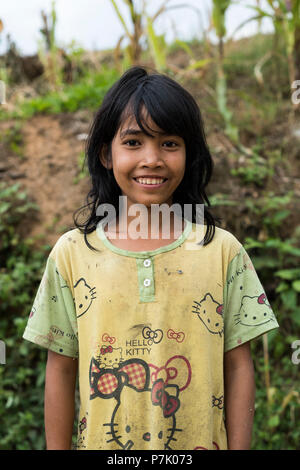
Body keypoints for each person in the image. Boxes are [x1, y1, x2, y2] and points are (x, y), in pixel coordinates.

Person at [23, 66, 279, 451]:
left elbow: (239, 366)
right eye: (133, 142)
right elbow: (60, 369)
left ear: (189, 155)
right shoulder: (72, 254)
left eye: (170, 144)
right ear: (105, 155)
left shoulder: (222, 251)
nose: (152, 159)